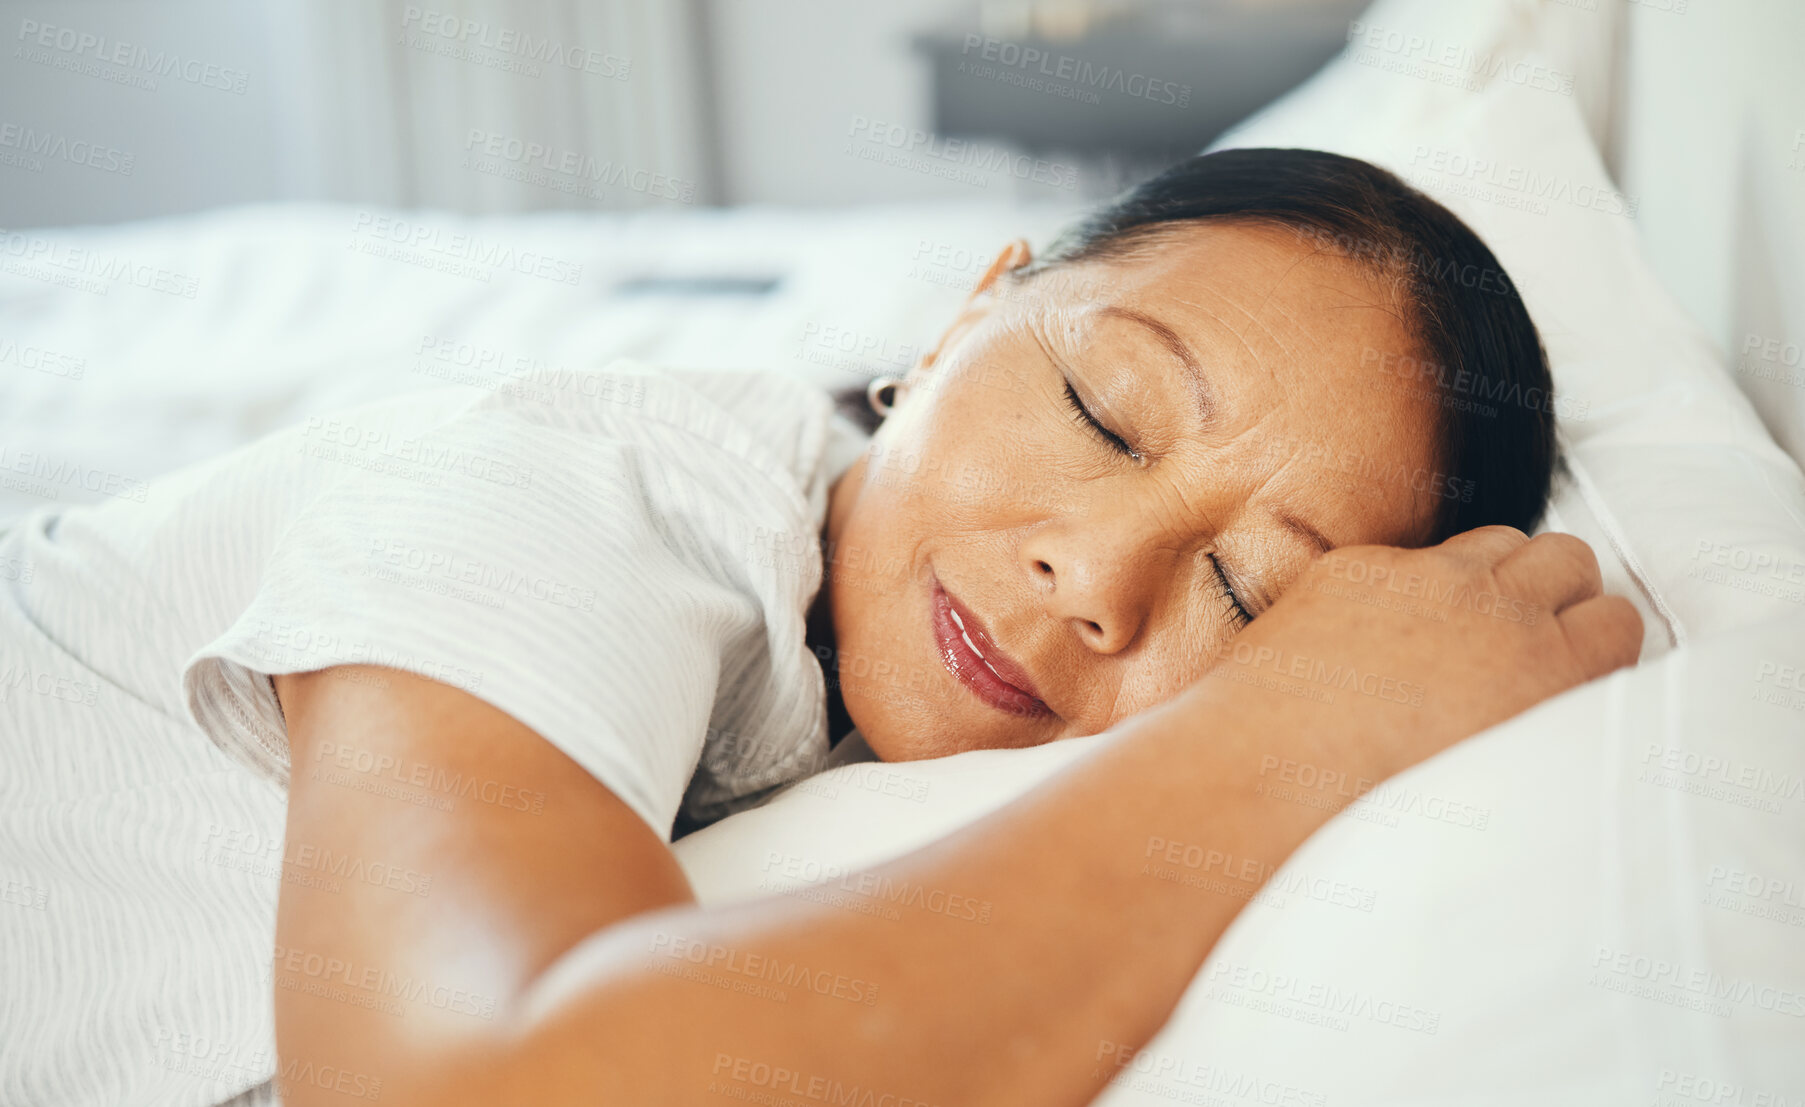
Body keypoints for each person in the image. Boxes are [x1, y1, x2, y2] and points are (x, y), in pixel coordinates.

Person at [0, 148, 1640, 1106]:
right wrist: (1297, 725)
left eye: (1243, 595)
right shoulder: (584, 486)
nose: (1094, 578)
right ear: (957, 323)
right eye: (1101, 407)